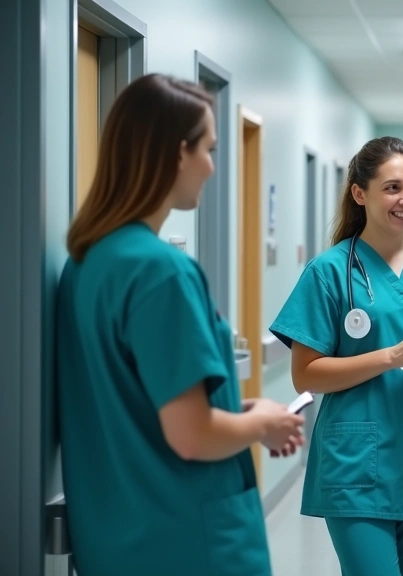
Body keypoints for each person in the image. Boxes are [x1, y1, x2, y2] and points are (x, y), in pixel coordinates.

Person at [56, 74, 305, 576]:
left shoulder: (86, 263)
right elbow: (191, 436)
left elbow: (138, 400)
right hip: (188, 540)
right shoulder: (160, 270)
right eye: (209, 150)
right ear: (176, 153)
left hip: (117, 539)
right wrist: (264, 423)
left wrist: (238, 407)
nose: (213, 168)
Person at [269, 136, 403, 576]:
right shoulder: (329, 271)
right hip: (356, 466)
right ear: (359, 193)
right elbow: (306, 376)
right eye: (392, 188)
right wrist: (391, 356)